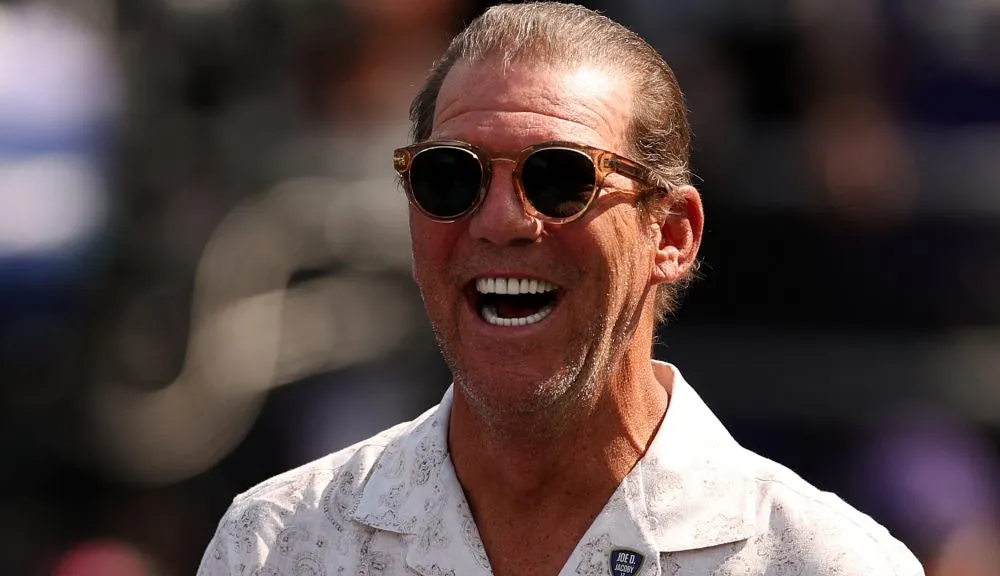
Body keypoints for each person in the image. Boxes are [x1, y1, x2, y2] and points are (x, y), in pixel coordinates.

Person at [197, 3, 925, 575]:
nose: (503, 220)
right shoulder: (277, 546)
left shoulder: (824, 563)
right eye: (451, 177)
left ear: (670, 236)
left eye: (560, 178)